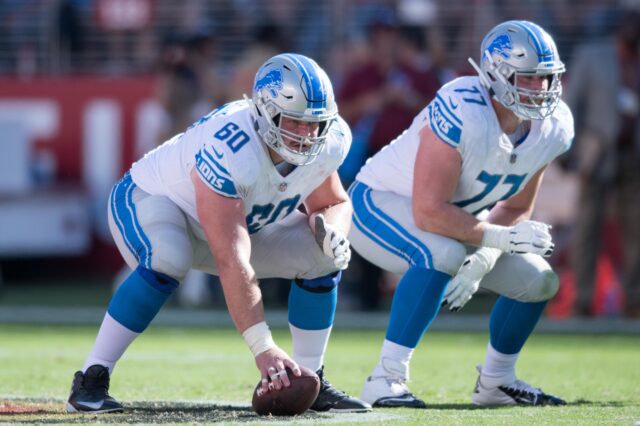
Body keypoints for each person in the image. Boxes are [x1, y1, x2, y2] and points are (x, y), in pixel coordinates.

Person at [66, 53, 371, 414]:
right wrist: (264, 349)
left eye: (315, 123)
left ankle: (311, 378)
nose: (307, 135)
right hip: (153, 200)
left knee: (321, 257)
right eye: (294, 121)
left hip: (234, 224)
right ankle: (91, 377)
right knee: (168, 256)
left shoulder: (329, 139)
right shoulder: (230, 148)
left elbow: (332, 202)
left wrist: (330, 231)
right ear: (265, 112)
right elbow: (233, 260)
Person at [348, 20, 573, 407]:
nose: (541, 90)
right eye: (529, 79)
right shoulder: (463, 107)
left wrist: (486, 256)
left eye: (547, 78)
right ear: (496, 75)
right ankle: (385, 379)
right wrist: (495, 239)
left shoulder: (554, 127)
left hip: (457, 224)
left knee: (540, 280)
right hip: (376, 202)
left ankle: (497, 380)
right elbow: (428, 211)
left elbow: (517, 207)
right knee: (443, 254)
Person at [565, 11, 640, 318]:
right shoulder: (593, 55)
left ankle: (634, 301)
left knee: (636, 230)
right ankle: (583, 300)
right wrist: (569, 152)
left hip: (633, 157)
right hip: (596, 155)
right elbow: (574, 104)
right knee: (586, 229)